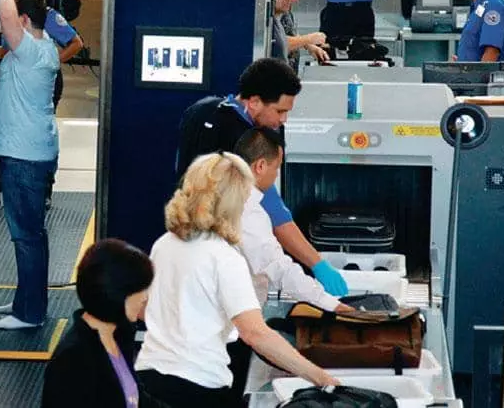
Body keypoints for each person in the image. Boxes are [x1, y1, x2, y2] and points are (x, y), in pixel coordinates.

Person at [135, 152, 340, 408]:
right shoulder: (223, 256)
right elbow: (255, 333)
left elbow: (143, 308)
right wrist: (323, 379)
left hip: (149, 376)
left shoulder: (165, 243)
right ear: (232, 204)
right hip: (198, 387)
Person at [176, 58, 348, 297]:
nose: (283, 120)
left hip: (184, 249)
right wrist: (317, 264)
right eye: (280, 111)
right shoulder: (247, 142)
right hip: (222, 265)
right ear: (254, 101)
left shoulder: (200, 110)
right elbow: (276, 213)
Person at [228, 127, 354, 401]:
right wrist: (332, 304)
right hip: (228, 331)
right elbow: (280, 268)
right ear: (260, 165)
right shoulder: (248, 212)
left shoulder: (224, 199)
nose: (277, 175)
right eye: (277, 167)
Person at [0, 0, 83, 209]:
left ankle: (42, 190)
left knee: (37, 134)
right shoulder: (17, 25)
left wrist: (50, 64)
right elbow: (3, 51)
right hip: (19, 84)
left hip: (42, 83)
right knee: (12, 137)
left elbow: (76, 43)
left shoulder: (46, 16)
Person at [0, 0, 60, 330]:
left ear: (26, 22)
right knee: (32, 235)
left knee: (26, 237)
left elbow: (6, 15)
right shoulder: (38, 49)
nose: (7, 23)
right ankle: (26, 300)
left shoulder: (30, 50)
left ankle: (29, 314)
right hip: (26, 154)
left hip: (24, 159)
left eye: (15, 18)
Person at [42, 239, 154, 408]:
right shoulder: (73, 360)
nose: (145, 297)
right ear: (117, 294)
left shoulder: (119, 334)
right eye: (139, 289)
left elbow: (137, 399)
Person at [280, 0, 329, 72]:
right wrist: (308, 39)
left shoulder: (286, 8)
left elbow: (288, 32)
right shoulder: (276, 7)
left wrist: (309, 45)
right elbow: (278, 42)